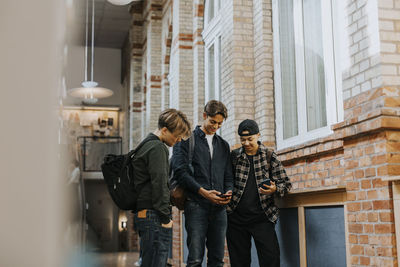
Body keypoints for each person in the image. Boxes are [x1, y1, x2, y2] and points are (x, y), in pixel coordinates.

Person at [171, 100, 234, 267]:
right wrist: (203, 192)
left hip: (219, 210)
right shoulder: (185, 140)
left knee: (217, 260)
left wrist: (229, 191)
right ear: (204, 115)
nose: (215, 126)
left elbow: (228, 175)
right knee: (195, 260)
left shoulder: (223, 145)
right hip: (196, 206)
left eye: (220, 124)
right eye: (213, 122)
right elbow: (180, 172)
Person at [227, 119, 292, 267]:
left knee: (271, 260)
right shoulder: (234, 157)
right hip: (236, 220)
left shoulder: (269, 156)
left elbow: (286, 184)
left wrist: (275, 189)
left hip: (263, 218)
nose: (246, 143)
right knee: (239, 263)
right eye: (242, 140)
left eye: (250, 139)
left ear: (258, 135)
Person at [133, 109, 191, 267]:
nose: (179, 140)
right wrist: (166, 219)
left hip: (145, 214)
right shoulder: (158, 148)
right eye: (177, 136)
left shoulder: (145, 144)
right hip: (154, 216)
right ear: (165, 130)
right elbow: (159, 184)